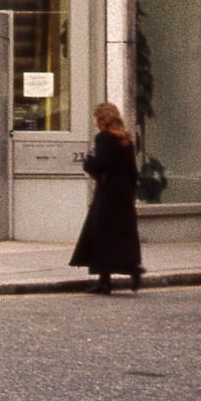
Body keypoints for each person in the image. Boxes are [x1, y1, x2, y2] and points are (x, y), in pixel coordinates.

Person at [69, 101, 144, 294]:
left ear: (102, 119)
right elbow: (132, 170)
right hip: (124, 193)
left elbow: (102, 163)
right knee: (122, 234)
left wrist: (88, 162)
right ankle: (132, 268)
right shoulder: (126, 139)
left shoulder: (104, 138)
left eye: (96, 117)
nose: (94, 121)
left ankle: (104, 281)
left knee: (101, 234)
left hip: (108, 192)